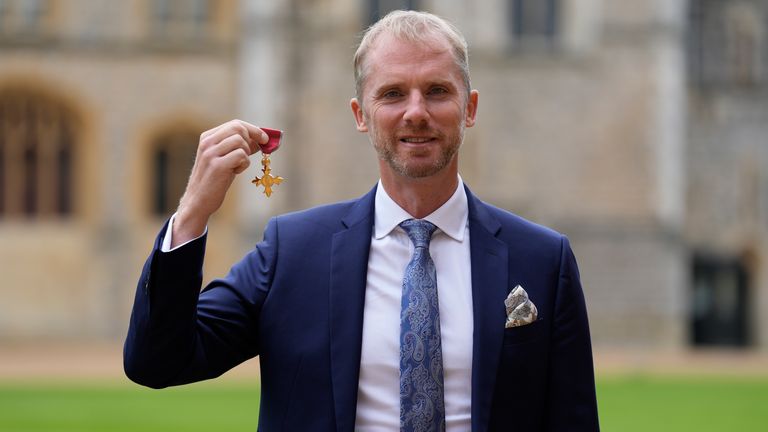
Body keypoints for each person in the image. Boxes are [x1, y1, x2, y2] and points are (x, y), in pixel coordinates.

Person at [124, 10, 599, 432]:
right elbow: (157, 362)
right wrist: (192, 214)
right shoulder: (293, 252)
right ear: (362, 115)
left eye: (437, 91)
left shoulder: (542, 259)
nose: (416, 112)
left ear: (469, 108)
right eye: (392, 94)